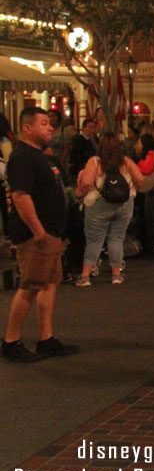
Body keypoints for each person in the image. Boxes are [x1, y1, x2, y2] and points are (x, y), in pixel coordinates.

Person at [2, 108, 78, 362]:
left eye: (49, 124)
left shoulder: (42, 156)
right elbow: (20, 196)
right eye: (43, 123)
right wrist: (38, 231)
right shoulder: (22, 156)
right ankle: (11, 341)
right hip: (36, 235)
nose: (49, 128)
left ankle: (46, 338)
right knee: (30, 285)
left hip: (51, 233)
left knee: (49, 283)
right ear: (27, 128)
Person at [74, 132, 143, 286]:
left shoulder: (95, 162)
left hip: (99, 204)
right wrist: (133, 191)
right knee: (117, 238)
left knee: (94, 240)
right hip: (124, 205)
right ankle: (116, 274)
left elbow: (86, 183)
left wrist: (80, 194)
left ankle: (85, 275)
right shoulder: (125, 161)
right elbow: (140, 178)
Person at [67, 117, 99, 183]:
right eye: (90, 127)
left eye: (94, 127)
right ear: (83, 128)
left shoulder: (95, 140)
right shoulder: (78, 140)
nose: (92, 130)